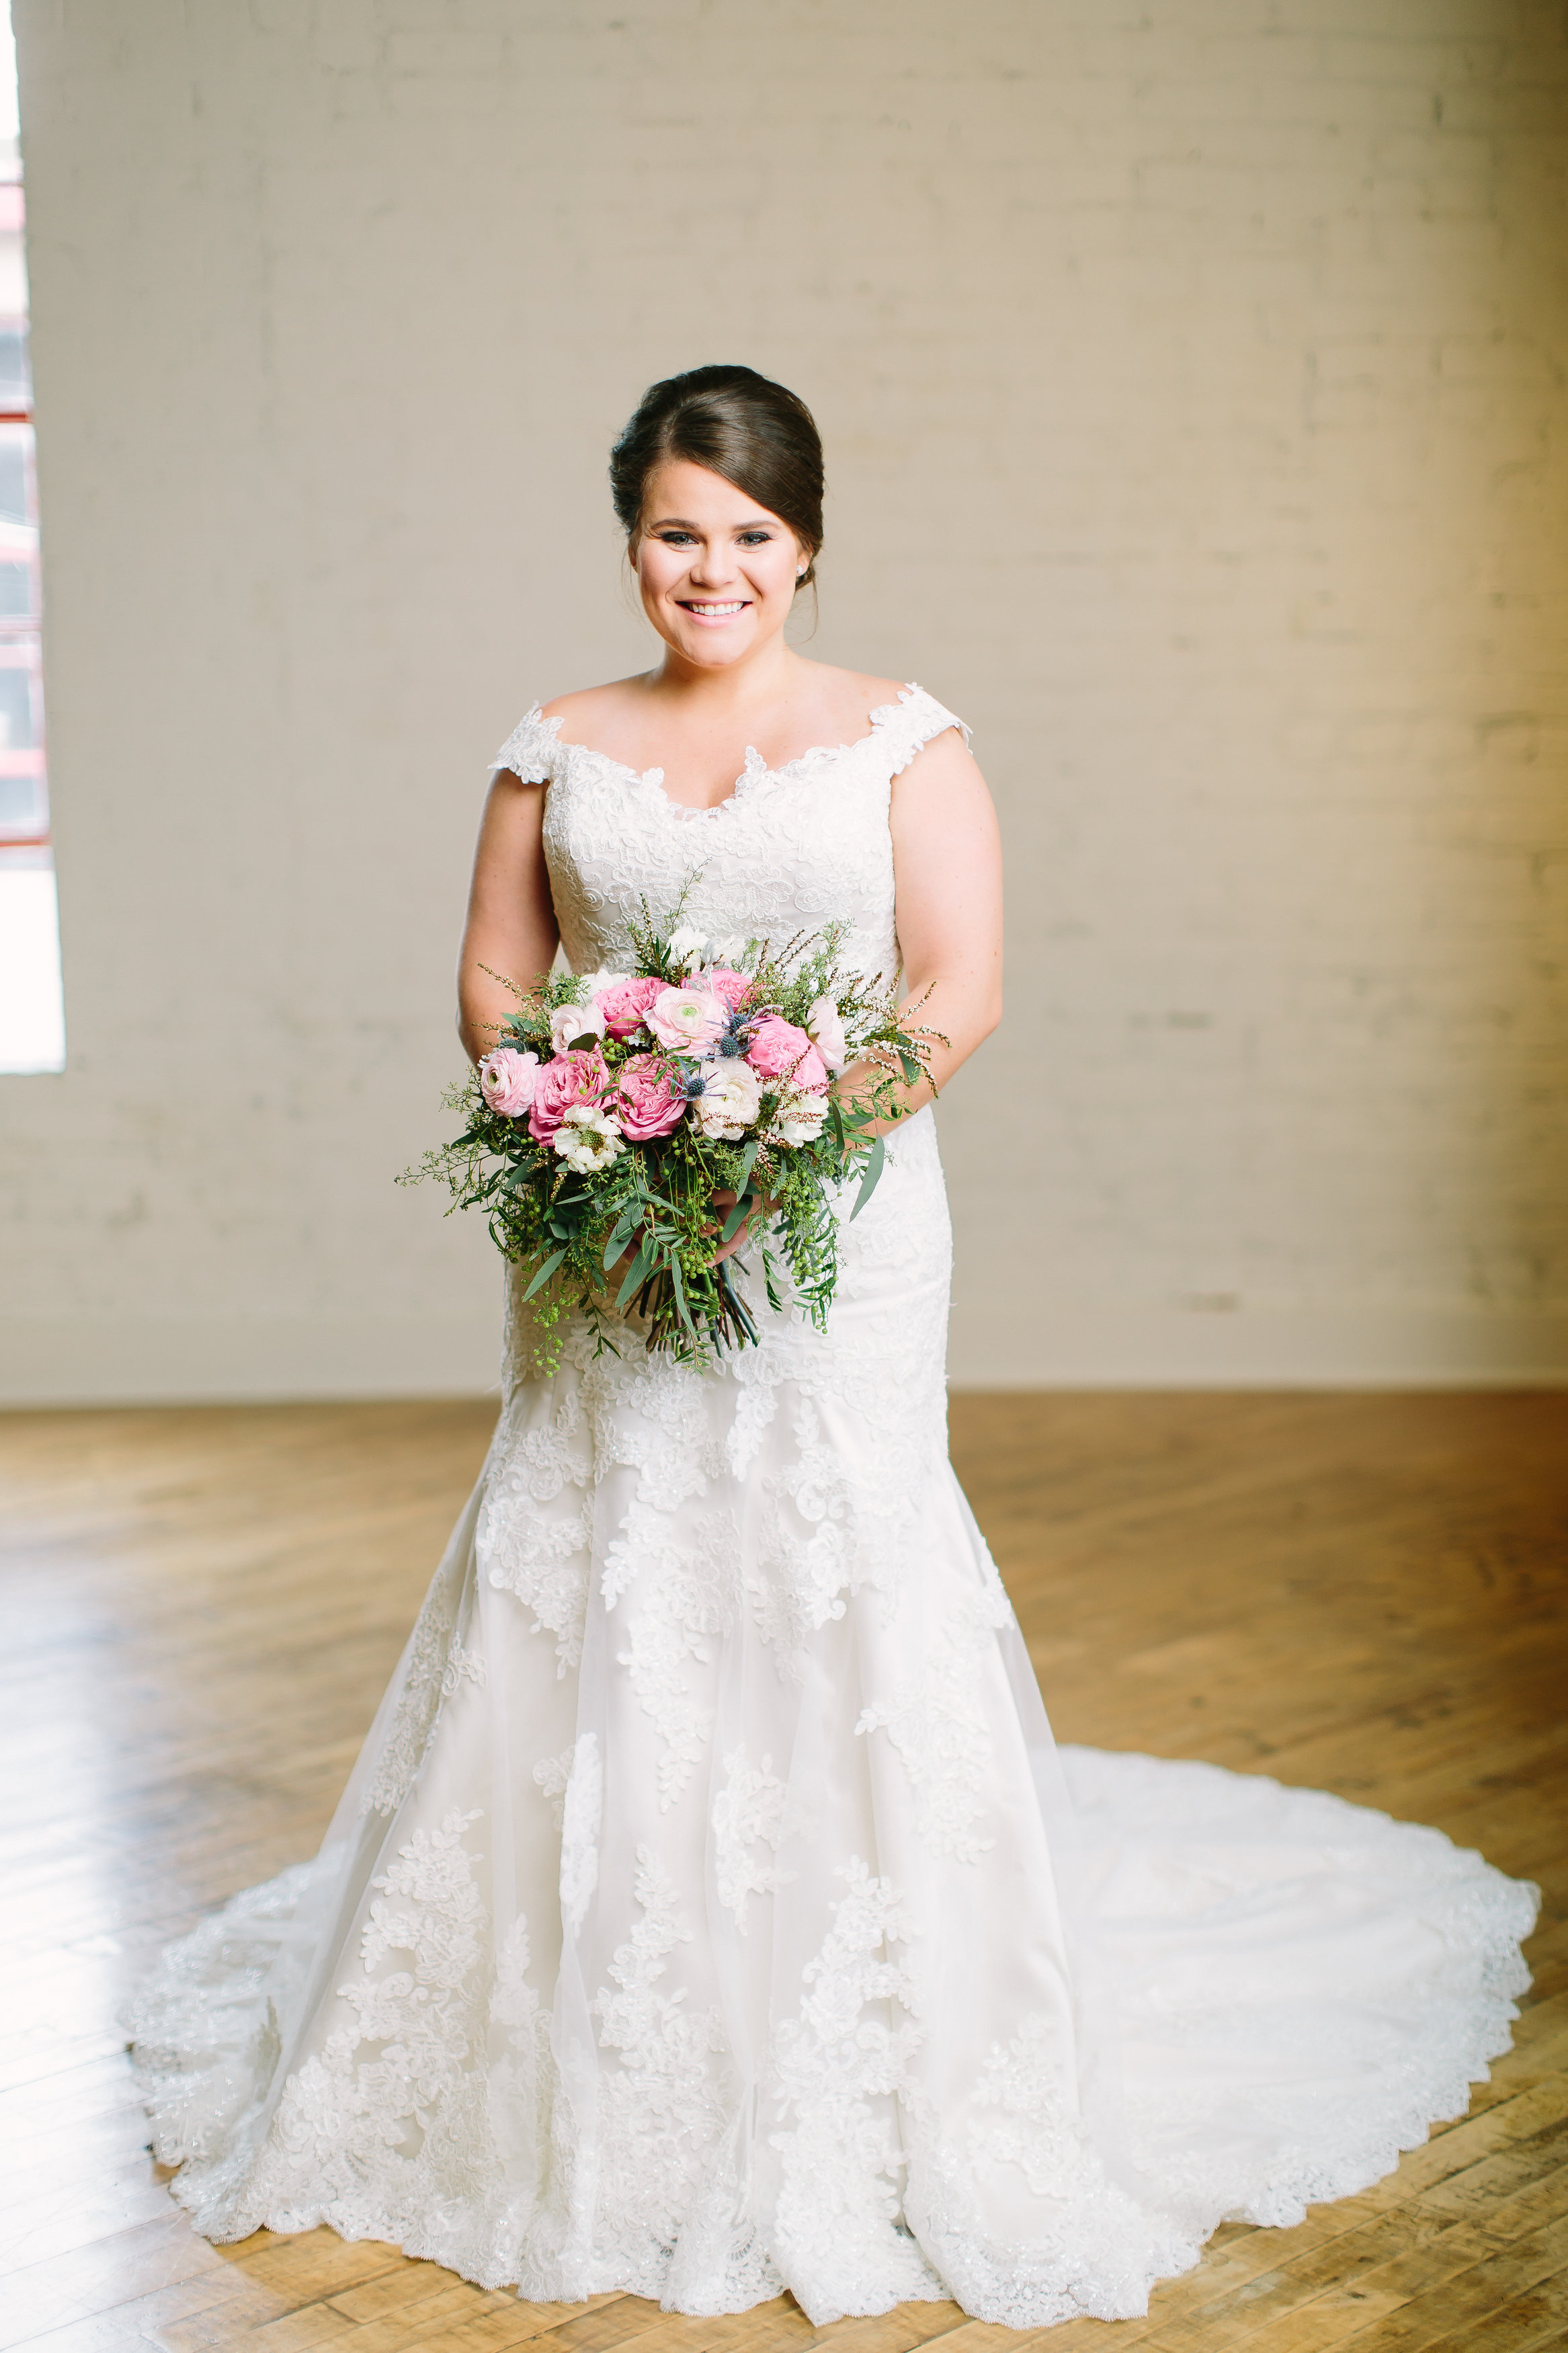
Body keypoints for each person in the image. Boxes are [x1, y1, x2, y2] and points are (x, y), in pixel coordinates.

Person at [129, 365, 1538, 2329]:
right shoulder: (554, 745)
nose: (712, 568)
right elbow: (492, 970)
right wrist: (588, 1108)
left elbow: (956, 990)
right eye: (677, 531)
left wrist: (772, 1138)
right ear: (631, 532)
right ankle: (559, 2018)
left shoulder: (903, 738)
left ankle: (880, 2027)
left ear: (807, 545)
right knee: (601, 1549)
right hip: (602, 1229)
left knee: (825, 1548)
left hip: (835, 1228)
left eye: (751, 536)